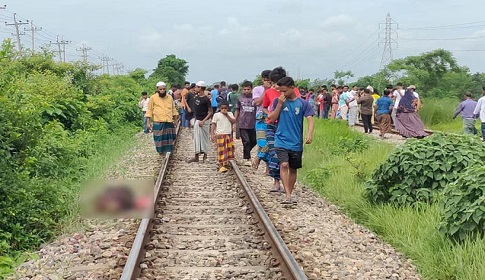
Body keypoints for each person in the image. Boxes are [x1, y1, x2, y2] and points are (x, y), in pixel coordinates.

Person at [268, 77, 314, 205]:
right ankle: (287, 195)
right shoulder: (278, 101)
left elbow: (310, 119)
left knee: (293, 169)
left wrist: (309, 134)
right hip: (280, 139)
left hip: (295, 142)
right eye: (280, 91)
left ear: (292, 88)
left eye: (285, 91)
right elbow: (271, 118)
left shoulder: (303, 104)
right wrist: (280, 105)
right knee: (283, 165)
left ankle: (289, 192)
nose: (282, 94)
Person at [145, 82, 178, 156]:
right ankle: (160, 151)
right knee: (159, 138)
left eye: (164, 89)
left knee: (170, 137)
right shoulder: (153, 98)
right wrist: (148, 122)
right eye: (161, 89)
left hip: (168, 121)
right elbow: (149, 110)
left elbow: (173, 109)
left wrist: (175, 120)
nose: (162, 90)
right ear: (157, 89)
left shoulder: (169, 97)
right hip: (158, 121)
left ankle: (168, 151)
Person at [188, 81, 213, 163]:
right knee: (196, 138)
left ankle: (205, 156)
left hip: (203, 121)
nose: (195, 88)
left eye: (197, 87)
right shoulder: (196, 97)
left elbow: (210, 112)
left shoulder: (206, 99)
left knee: (204, 139)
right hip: (197, 120)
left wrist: (203, 121)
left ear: (200, 88)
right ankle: (196, 156)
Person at [252, 70, 272, 171]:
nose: (267, 82)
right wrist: (266, 90)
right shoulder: (257, 89)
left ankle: (261, 160)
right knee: (262, 142)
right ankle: (259, 158)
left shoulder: (276, 90)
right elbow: (257, 102)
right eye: (265, 80)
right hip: (261, 119)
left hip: (272, 118)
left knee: (271, 143)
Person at [235, 80, 257, 167]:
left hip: (253, 123)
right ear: (242, 89)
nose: (246, 91)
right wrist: (234, 121)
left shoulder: (255, 98)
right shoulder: (239, 99)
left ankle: (246, 151)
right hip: (242, 123)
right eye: (245, 89)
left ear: (251, 89)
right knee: (246, 141)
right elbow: (237, 110)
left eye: (248, 89)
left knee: (254, 141)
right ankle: (247, 158)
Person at [211, 101, 236, 173]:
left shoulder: (230, 114)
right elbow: (213, 124)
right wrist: (212, 134)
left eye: (225, 108)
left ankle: (226, 163)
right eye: (222, 108)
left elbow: (233, 121)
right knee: (221, 150)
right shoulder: (216, 115)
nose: (224, 109)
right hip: (220, 135)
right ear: (219, 108)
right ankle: (221, 165)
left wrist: (227, 115)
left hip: (228, 134)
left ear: (228, 108)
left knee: (228, 149)